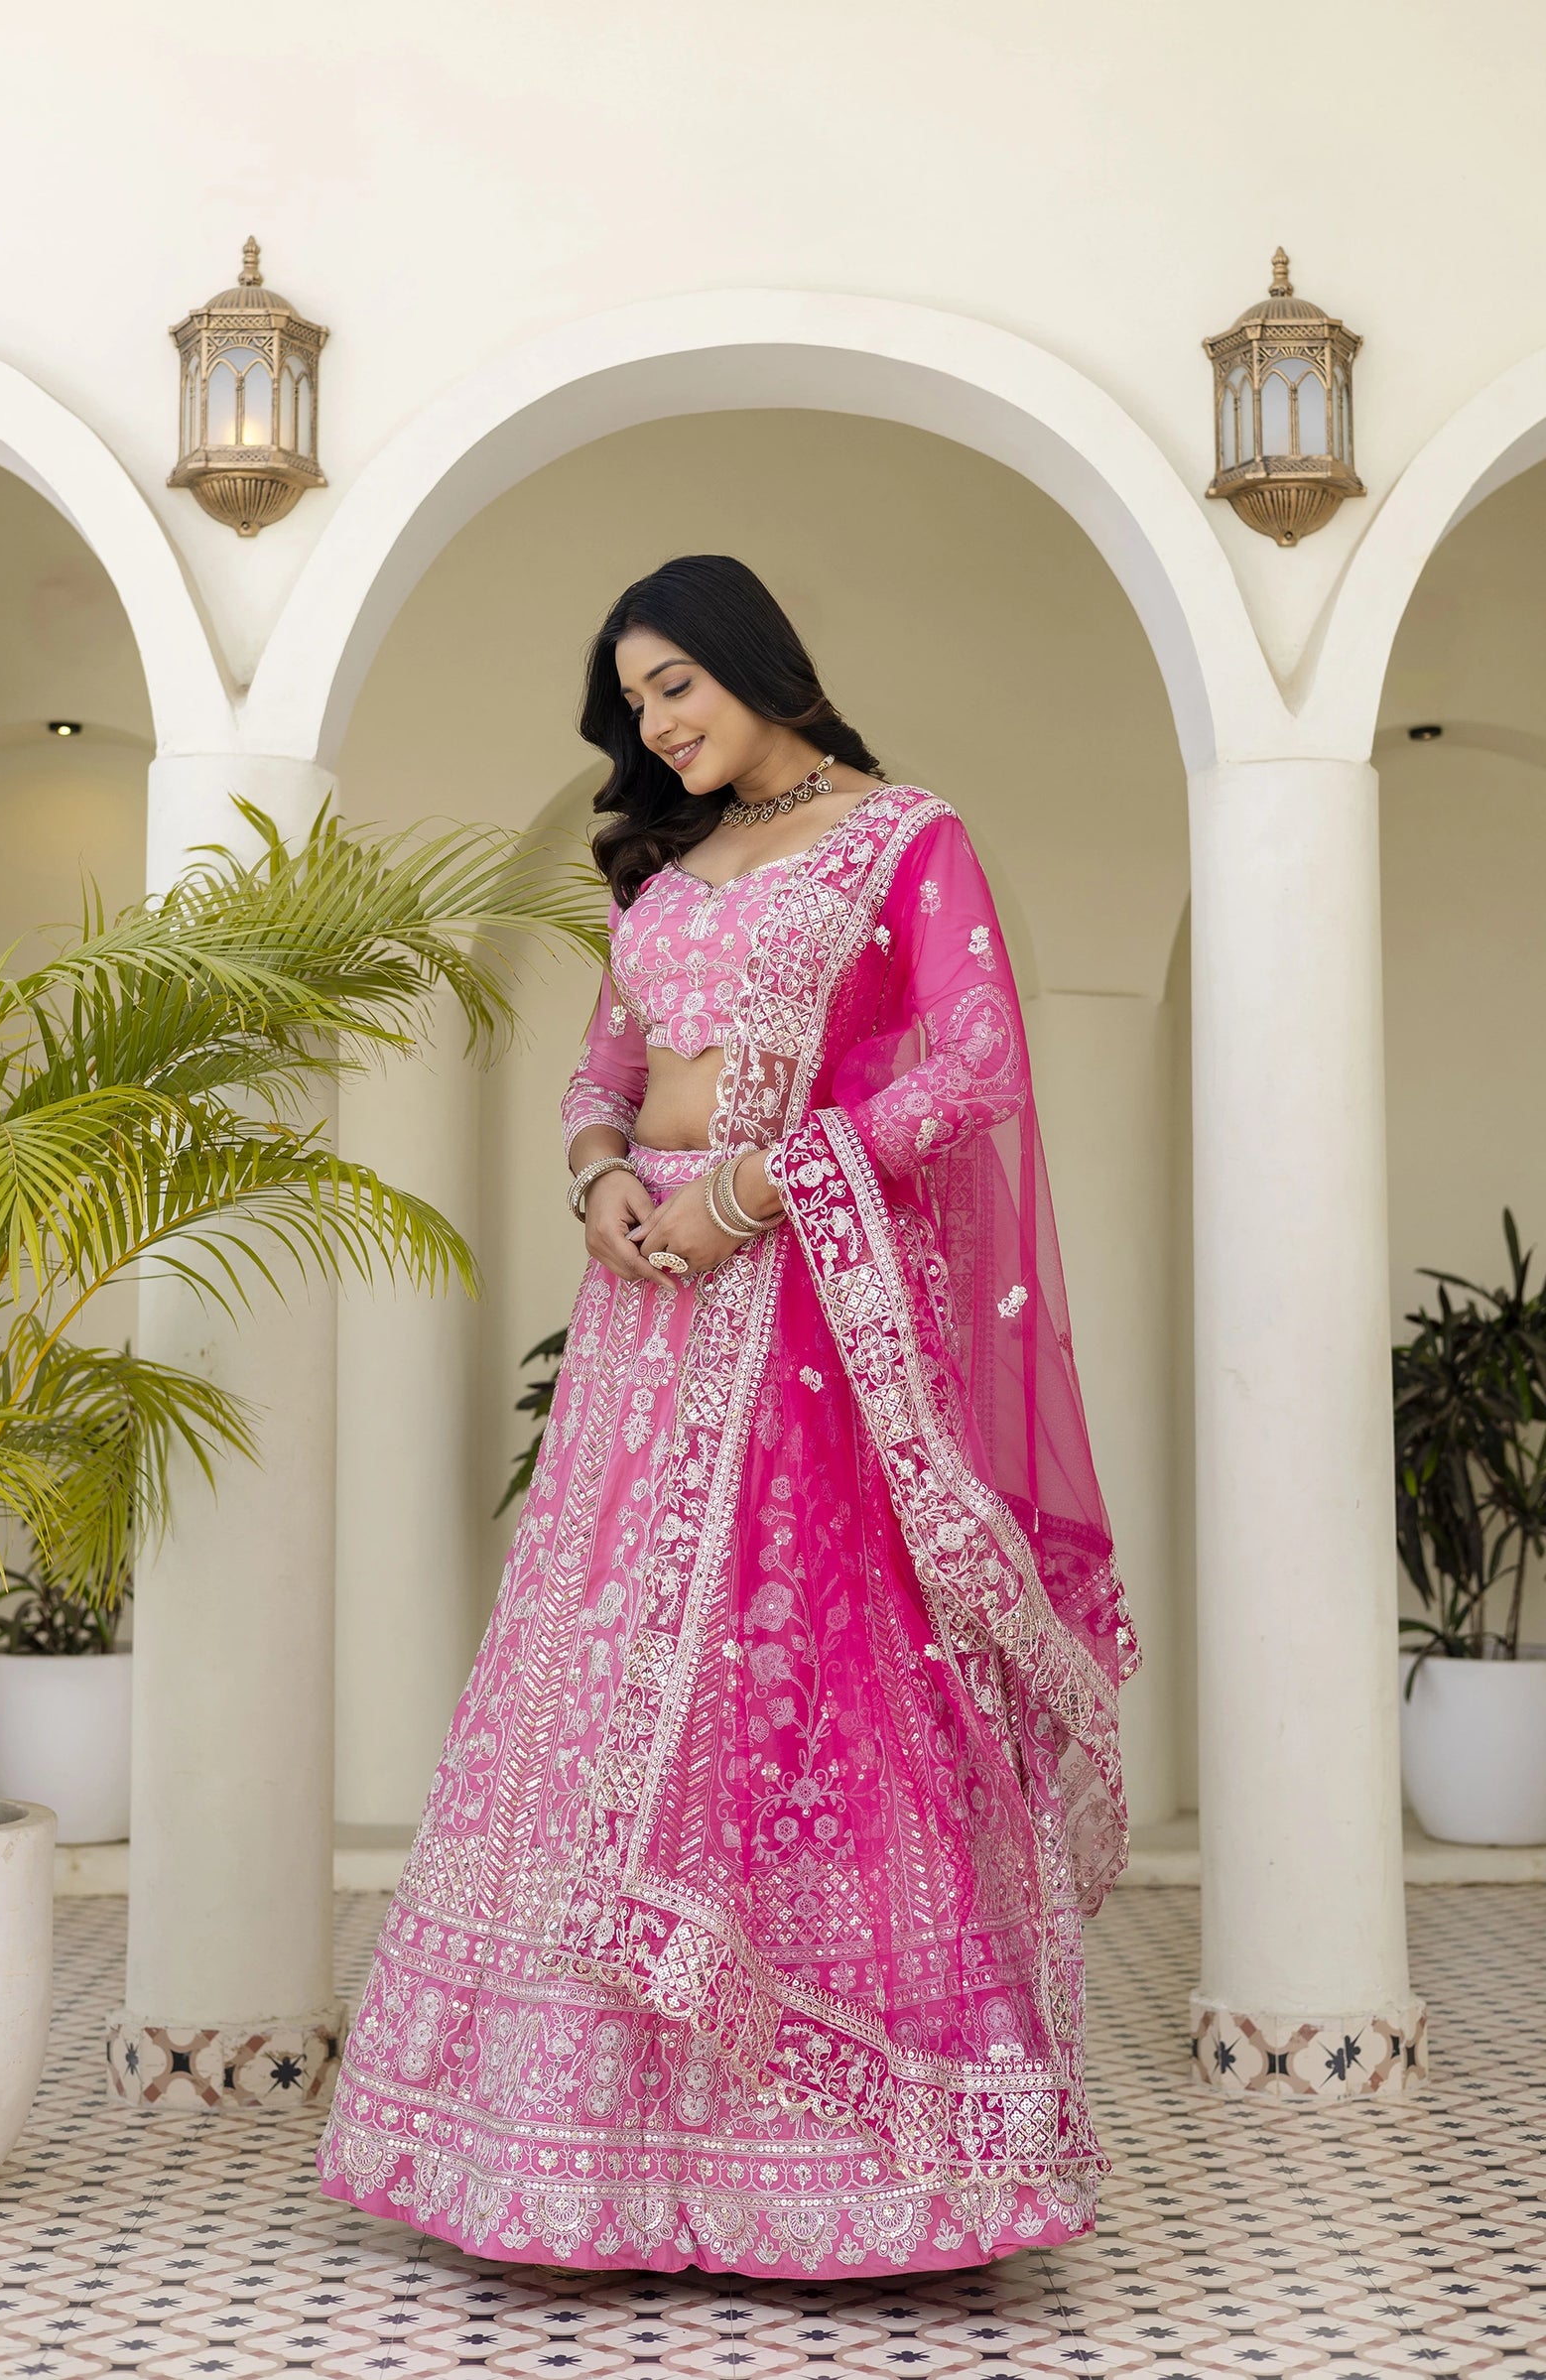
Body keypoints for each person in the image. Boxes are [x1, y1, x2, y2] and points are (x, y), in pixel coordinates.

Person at [317, 554, 1137, 2277]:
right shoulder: (666, 873)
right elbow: (600, 1076)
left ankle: (875, 2179)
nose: (656, 724)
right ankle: (561, 2163)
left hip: (806, 1334)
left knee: (793, 1674)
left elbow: (975, 1061)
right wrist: (604, 1170)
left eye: (675, 683)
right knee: (598, 1673)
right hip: (648, 1319)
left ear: (761, 663)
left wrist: (760, 1189)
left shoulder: (905, 836)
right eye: (635, 703)